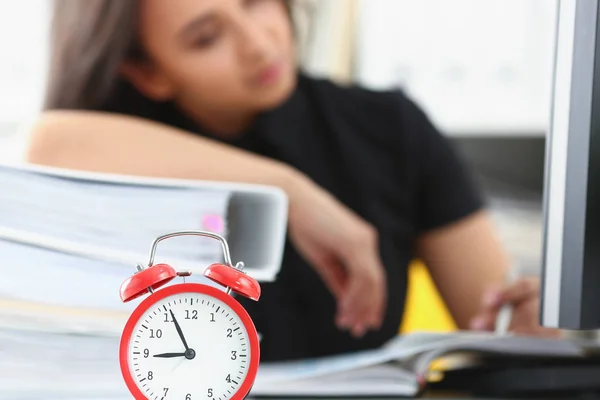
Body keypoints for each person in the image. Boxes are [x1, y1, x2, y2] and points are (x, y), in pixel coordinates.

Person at [27, 0, 558, 361]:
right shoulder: (121, 150)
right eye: (207, 37)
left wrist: (526, 327)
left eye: (255, 1)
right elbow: (49, 142)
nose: (259, 45)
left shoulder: (389, 128)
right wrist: (288, 190)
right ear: (148, 73)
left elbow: (497, 319)